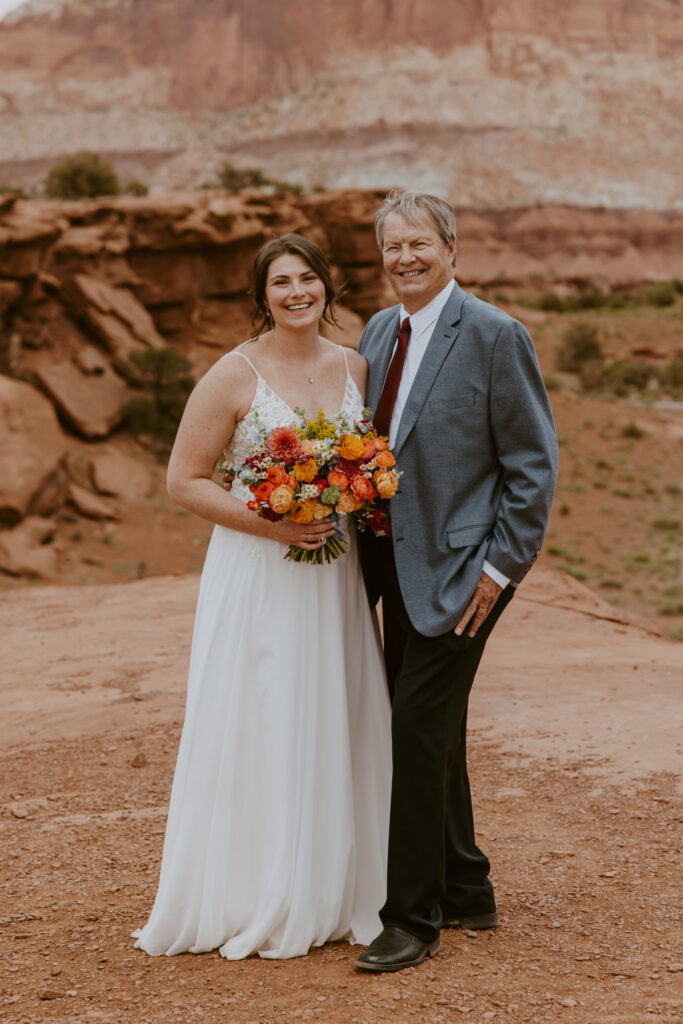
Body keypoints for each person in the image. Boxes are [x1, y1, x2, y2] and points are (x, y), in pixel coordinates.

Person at [134, 234, 391, 961]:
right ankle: (255, 888)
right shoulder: (231, 374)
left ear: (327, 287)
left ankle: (339, 886)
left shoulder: (355, 366)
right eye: (280, 282)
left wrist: (348, 494)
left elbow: (363, 462)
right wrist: (273, 526)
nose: (296, 292)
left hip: (333, 576)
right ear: (262, 296)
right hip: (260, 568)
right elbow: (183, 480)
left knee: (331, 705)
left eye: (307, 278)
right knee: (264, 707)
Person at [354, 191, 558, 972]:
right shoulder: (379, 330)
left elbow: (531, 464)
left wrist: (500, 567)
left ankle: (411, 917)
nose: (403, 258)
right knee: (428, 725)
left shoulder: (496, 335)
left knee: (413, 726)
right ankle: (468, 888)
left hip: (464, 570)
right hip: (389, 562)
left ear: (450, 249)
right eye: (390, 247)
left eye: (417, 244)